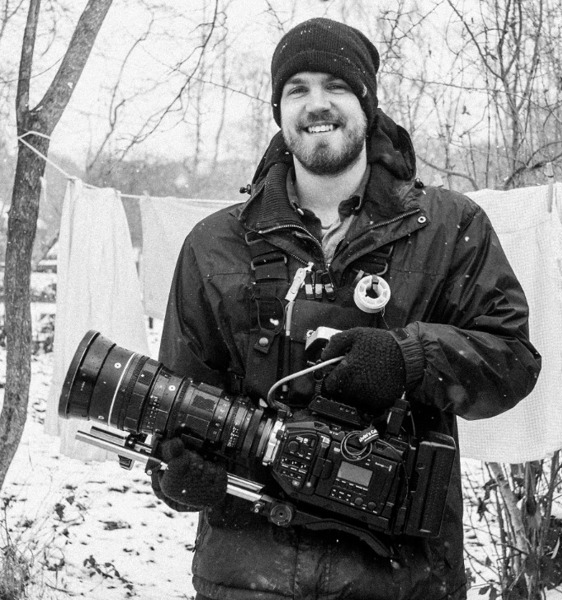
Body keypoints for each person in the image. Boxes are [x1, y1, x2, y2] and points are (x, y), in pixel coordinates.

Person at [151, 17, 541, 600]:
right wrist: (179, 473)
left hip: (403, 581)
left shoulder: (448, 228)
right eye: (297, 89)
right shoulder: (216, 246)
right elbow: (175, 409)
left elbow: (512, 360)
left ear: (367, 103)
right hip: (246, 580)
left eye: (335, 86)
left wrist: (410, 359)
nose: (317, 104)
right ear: (279, 110)